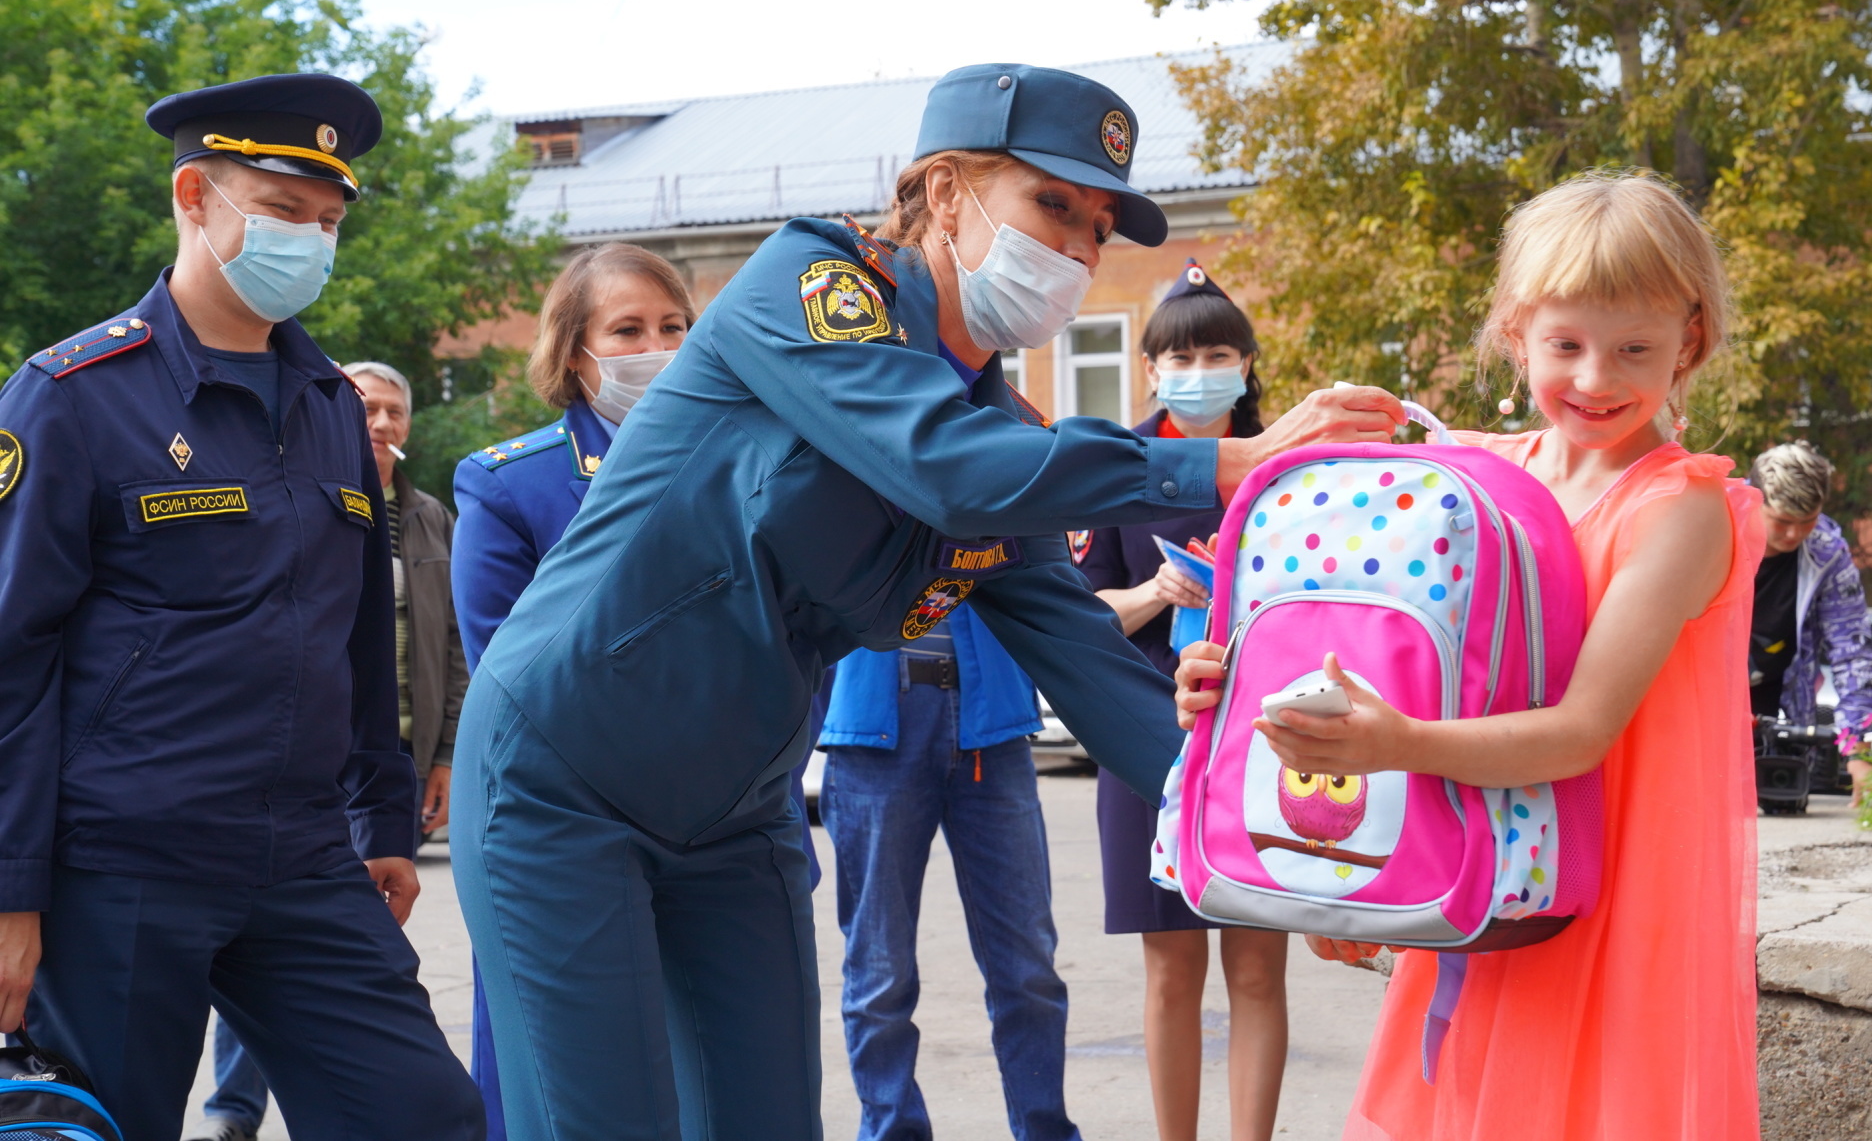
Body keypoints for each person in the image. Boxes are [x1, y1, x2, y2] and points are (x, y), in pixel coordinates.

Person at [451, 62, 1406, 1141]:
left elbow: (1097, 675)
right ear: (943, 192)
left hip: (732, 809)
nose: (1080, 253)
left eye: (1098, 228)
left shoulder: (996, 425)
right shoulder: (809, 284)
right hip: (564, 778)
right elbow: (943, 469)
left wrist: (1291, 861)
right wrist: (1224, 463)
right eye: (1051, 205)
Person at [1175, 170, 1763, 1138]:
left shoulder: (1679, 509)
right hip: (1491, 882)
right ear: (1512, 330)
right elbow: (1379, 667)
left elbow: (1576, 732)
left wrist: (1388, 745)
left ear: (1688, 340)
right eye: (1563, 344)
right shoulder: (1474, 477)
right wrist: (1235, 694)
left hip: (1614, 908)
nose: (1593, 378)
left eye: (1633, 348)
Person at [0, 73, 482, 1141]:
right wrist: (10, 892)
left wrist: (383, 815)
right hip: (122, 861)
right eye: (280, 211)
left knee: (423, 1114)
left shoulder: (326, 409)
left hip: (303, 856)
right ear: (193, 197)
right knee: (96, 1125)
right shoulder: (71, 396)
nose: (309, 239)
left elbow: (361, 633)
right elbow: (11, 660)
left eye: (327, 220)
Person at [451, 241, 696, 1141]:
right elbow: (511, 681)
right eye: (628, 329)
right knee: (543, 1085)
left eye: (675, 327)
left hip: (720, 833)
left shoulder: (742, 464)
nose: (656, 347)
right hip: (563, 832)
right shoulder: (512, 484)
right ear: (574, 352)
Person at [192, 357, 474, 1141]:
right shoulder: (289, 485)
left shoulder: (428, 519)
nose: (380, 422)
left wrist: (438, 762)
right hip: (263, 778)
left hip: (383, 772)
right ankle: (234, 1110)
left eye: (394, 412)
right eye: (367, 406)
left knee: (358, 980)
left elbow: (438, 648)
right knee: (252, 942)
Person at [1077, 259, 1290, 1141]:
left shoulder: (1292, 467)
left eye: (1217, 352)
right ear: (1151, 369)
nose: (1199, 370)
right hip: (1144, 749)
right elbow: (1081, 617)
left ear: (1246, 363)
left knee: (1255, 975)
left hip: (1265, 747)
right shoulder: (1114, 468)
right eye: (1179, 356)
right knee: (1171, 977)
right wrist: (1158, 595)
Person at [819, 573, 1071, 1139]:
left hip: (994, 728)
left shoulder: (993, 481)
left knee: (1029, 967)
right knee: (879, 970)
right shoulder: (854, 483)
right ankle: (891, 1129)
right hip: (875, 727)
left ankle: (1045, 1130)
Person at [1746, 440, 1872, 800]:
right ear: (1752, 501)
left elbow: (1852, 650)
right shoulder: (1708, 533)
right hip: (1703, 695)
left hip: (1781, 697)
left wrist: (1857, 749)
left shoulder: (1827, 553)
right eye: (1782, 521)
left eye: (1806, 522)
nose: (1793, 535)